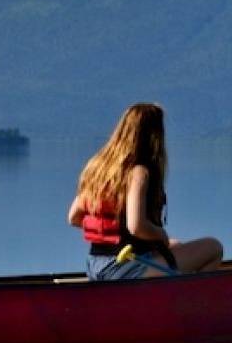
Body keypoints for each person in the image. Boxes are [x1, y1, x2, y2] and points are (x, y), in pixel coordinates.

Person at [67, 102, 222, 280]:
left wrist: (108, 234)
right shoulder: (138, 172)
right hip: (124, 269)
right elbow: (136, 226)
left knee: (175, 245)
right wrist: (161, 235)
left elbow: (74, 217)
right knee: (213, 248)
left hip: (95, 265)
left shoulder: (98, 168)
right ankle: (190, 303)